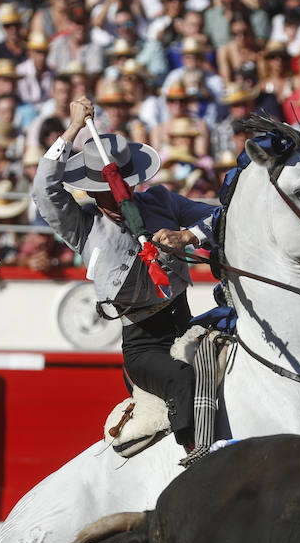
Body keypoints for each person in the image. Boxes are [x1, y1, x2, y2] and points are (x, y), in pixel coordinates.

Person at [32, 96, 218, 453]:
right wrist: (72, 128)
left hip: (186, 322)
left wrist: (188, 235)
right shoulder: (84, 227)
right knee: (182, 377)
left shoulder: (163, 201)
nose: (116, 198)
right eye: (104, 192)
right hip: (143, 344)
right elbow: (44, 191)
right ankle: (197, 457)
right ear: (90, 191)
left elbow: (218, 215)